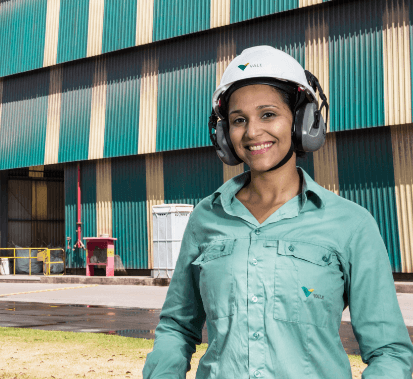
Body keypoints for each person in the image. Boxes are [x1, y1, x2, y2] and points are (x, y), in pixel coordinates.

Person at [143, 45, 413, 378]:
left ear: (302, 121)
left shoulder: (352, 224)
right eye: (238, 120)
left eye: (268, 114)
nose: (252, 132)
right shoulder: (206, 217)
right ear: (225, 134)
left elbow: (389, 352)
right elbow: (177, 327)